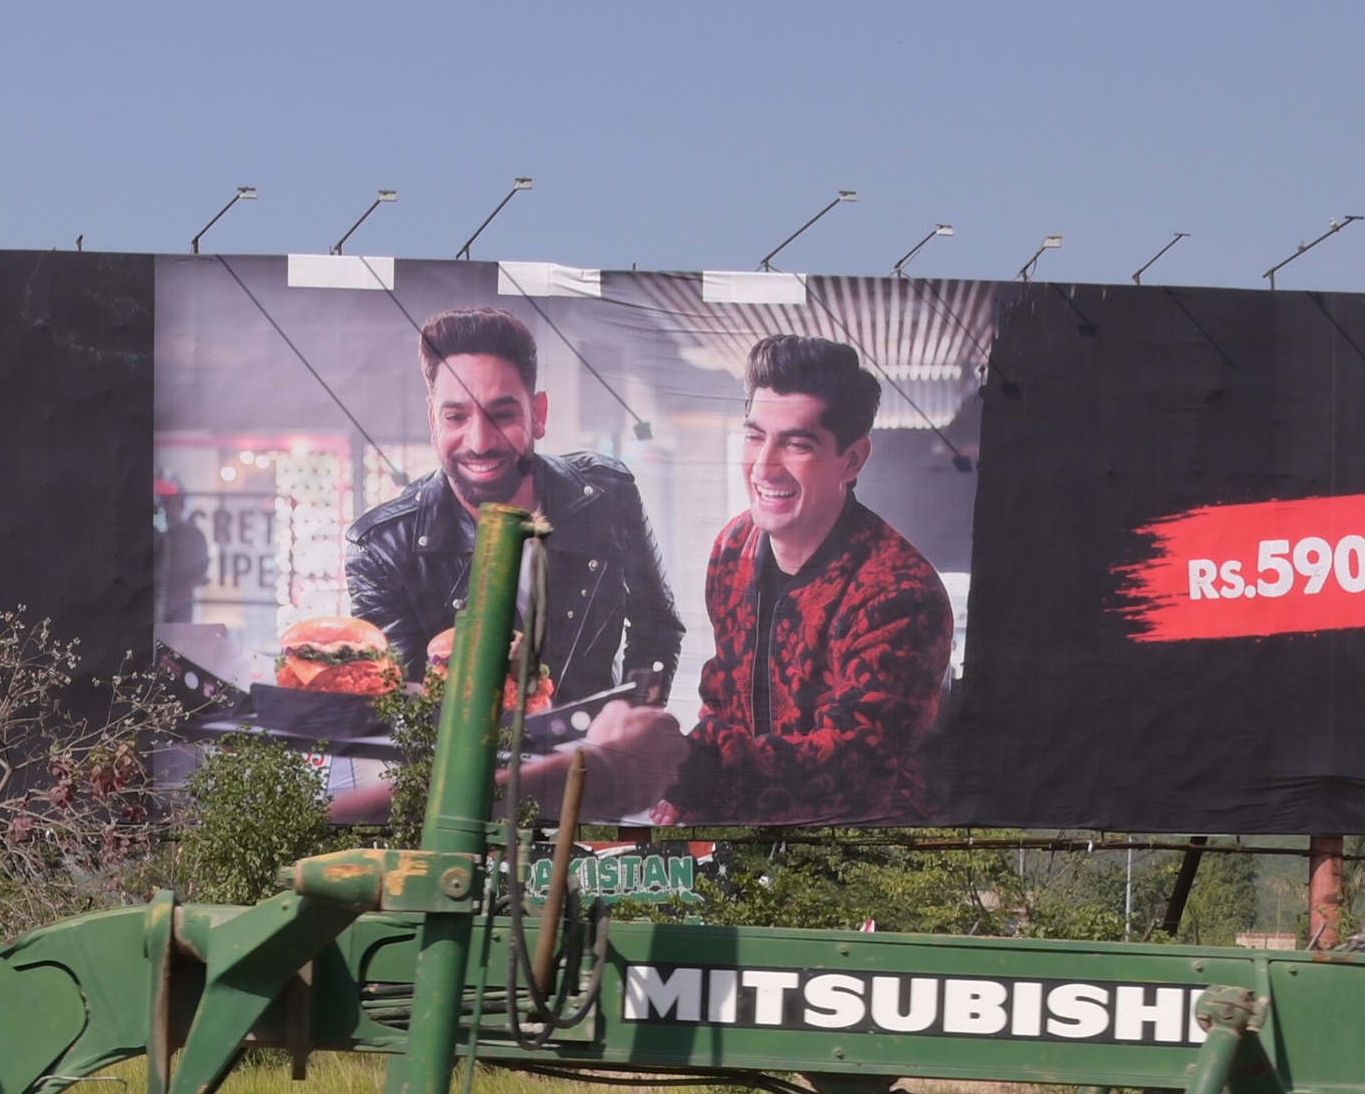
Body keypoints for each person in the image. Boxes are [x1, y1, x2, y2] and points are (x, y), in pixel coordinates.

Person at [330, 310, 689, 821]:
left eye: (502, 414)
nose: (479, 441)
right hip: (470, 808)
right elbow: (410, 716)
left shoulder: (607, 493)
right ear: (434, 418)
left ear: (538, 413)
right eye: (456, 417)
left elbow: (658, 627)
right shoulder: (382, 546)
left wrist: (635, 731)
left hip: (599, 796)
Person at [678, 335, 951, 826]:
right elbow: (722, 696)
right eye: (756, 436)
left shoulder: (900, 593)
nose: (764, 465)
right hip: (750, 837)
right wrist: (682, 790)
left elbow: (852, 769)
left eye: (797, 443)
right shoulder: (733, 547)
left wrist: (685, 771)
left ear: (853, 460)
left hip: (875, 856)